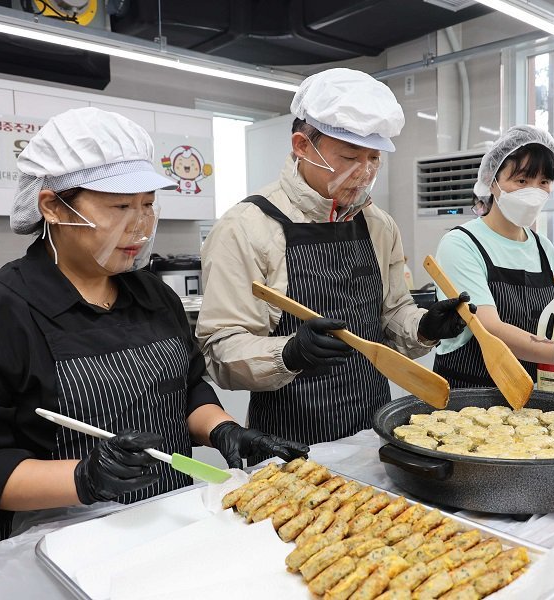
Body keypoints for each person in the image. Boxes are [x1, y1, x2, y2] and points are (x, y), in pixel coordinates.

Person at [0, 107, 307, 600]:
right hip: (56, 550)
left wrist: (223, 429)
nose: (141, 227)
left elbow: (186, 389)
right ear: (53, 207)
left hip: (166, 536)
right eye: (120, 208)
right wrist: (84, 477)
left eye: (147, 204)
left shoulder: (152, 294)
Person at [197, 68, 468, 449]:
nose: (365, 173)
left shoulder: (378, 224)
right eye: (350, 156)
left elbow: (391, 314)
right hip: (286, 437)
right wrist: (288, 352)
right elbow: (221, 350)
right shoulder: (246, 227)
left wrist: (425, 326)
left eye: (374, 158)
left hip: (371, 426)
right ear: (302, 146)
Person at [432, 125, 554, 389]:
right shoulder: (461, 244)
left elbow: (551, 317)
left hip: (532, 390)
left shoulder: (543, 247)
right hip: (470, 392)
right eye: (522, 181)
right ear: (492, 180)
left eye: (543, 182)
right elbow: (489, 328)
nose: (534, 192)